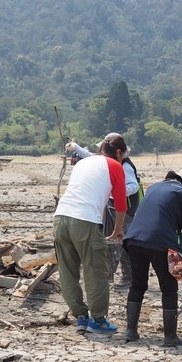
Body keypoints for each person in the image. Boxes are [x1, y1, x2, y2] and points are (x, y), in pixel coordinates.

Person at [53, 134, 128, 334]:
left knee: (67, 271)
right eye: (123, 156)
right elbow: (121, 204)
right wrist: (118, 229)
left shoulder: (83, 163)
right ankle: (97, 320)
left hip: (60, 217)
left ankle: (80, 316)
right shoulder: (115, 166)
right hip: (84, 221)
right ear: (119, 153)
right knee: (94, 270)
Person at [122, 168, 182, 346]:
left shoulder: (153, 188)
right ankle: (170, 337)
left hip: (133, 240)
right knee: (169, 287)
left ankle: (130, 331)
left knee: (138, 284)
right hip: (159, 243)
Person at [66, 133, 141, 288]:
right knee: (112, 241)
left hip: (124, 211)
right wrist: (75, 147)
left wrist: (116, 190)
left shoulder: (125, 166)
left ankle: (127, 277)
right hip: (113, 208)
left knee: (121, 242)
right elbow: (90, 156)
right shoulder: (111, 162)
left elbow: (133, 187)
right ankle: (110, 275)